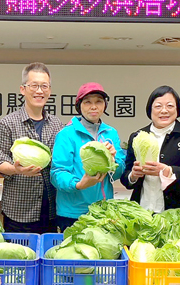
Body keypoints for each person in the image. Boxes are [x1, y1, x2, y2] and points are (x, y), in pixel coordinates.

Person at [0, 63, 63, 233]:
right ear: (23, 89)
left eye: (44, 86)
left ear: (50, 90)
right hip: (19, 210)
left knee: (48, 257)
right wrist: (16, 169)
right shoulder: (7, 123)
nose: (39, 91)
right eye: (34, 86)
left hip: (50, 210)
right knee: (20, 257)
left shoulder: (57, 125)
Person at [51, 83, 125, 231]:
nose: (93, 106)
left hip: (103, 211)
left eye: (98, 101)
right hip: (72, 213)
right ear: (79, 106)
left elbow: (119, 171)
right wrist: (78, 184)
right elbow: (57, 173)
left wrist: (113, 161)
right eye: (87, 102)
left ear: (105, 105)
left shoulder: (111, 133)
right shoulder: (66, 134)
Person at [121, 85, 180, 212]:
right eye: (158, 106)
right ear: (149, 110)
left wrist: (169, 171)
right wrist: (133, 176)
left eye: (170, 106)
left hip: (176, 214)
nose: (164, 110)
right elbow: (125, 177)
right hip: (142, 212)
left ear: (177, 109)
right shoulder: (138, 137)